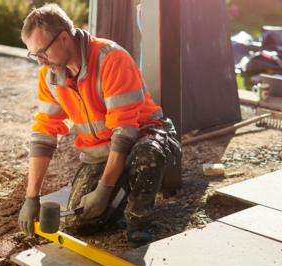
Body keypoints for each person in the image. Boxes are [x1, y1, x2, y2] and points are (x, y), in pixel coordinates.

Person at [17, 3, 180, 247]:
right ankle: (126, 181)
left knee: (146, 155)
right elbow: (44, 133)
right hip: (102, 150)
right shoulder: (49, 76)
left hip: (143, 134)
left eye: (42, 52)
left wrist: (104, 189)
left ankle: (139, 218)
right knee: (81, 222)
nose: (40, 62)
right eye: (34, 55)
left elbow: (125, 132)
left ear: (63, 38)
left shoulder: (111, 59)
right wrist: (32, 196)